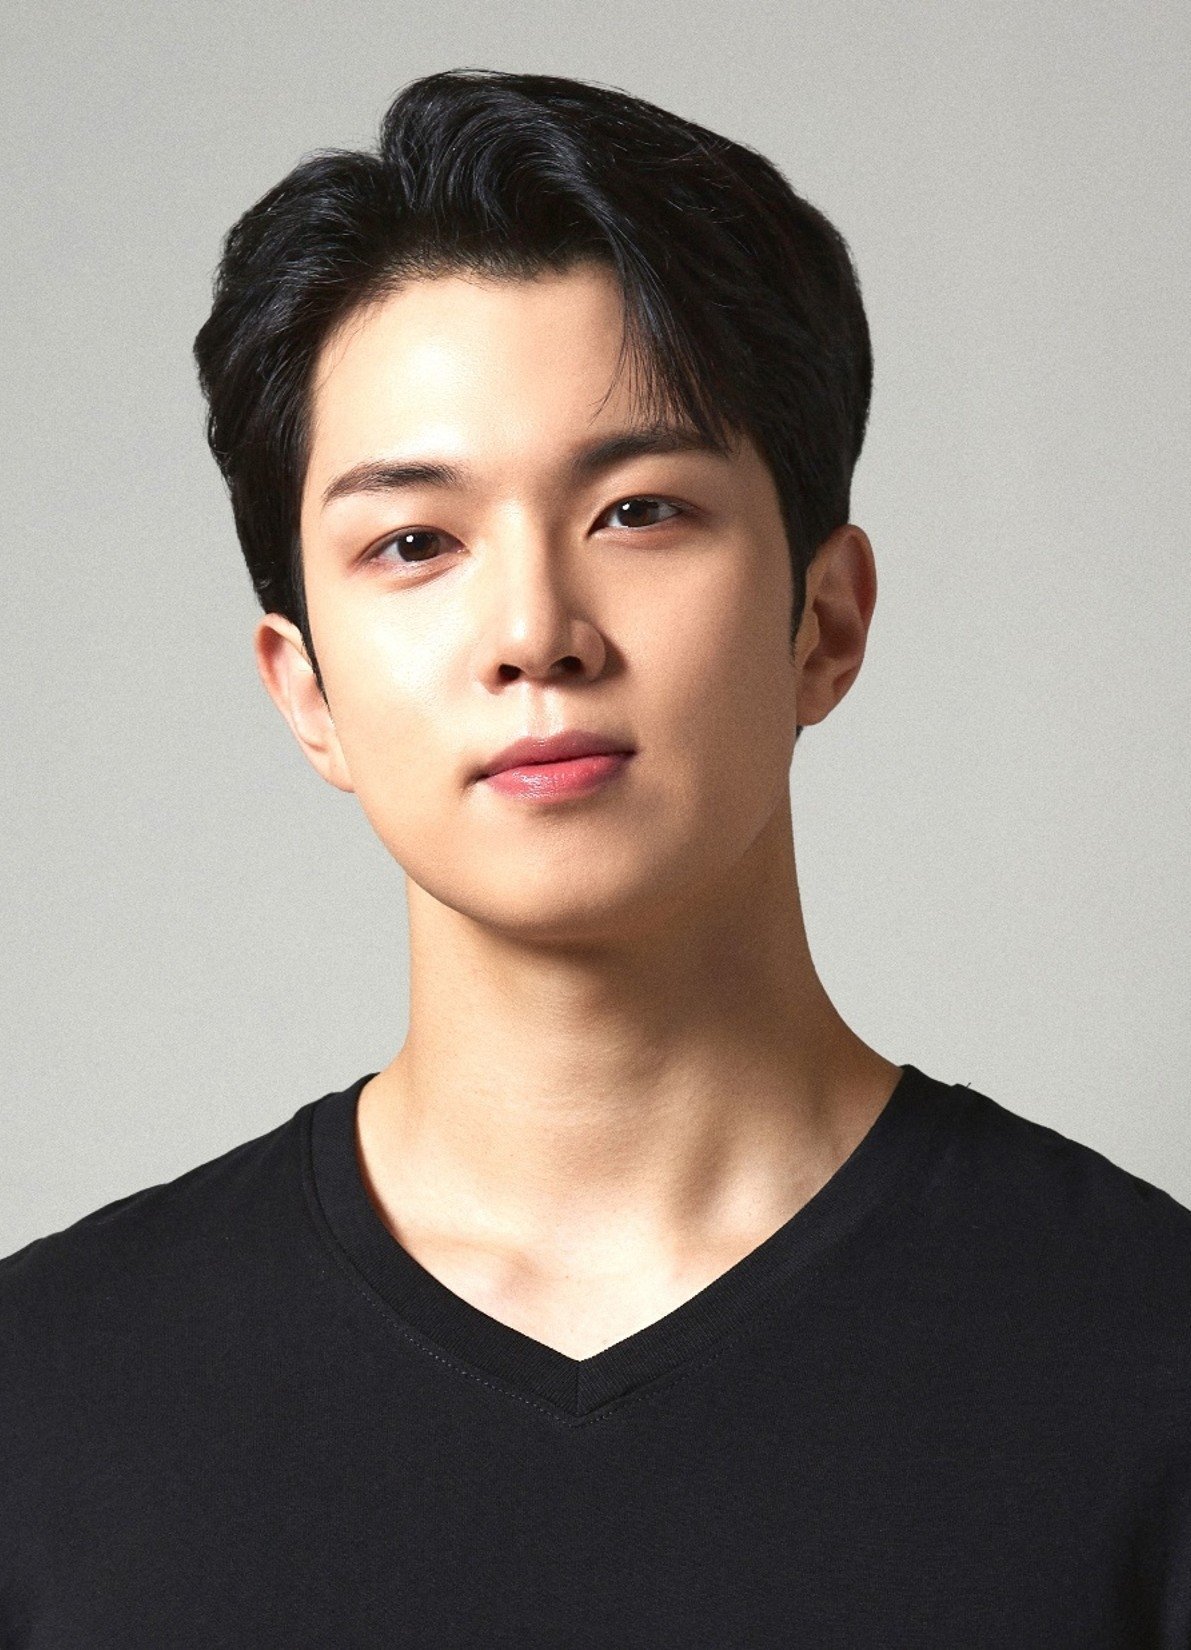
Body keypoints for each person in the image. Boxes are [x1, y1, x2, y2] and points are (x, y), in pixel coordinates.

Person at [2, 66, 1188, 1648]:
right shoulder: (47, 1400)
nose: (535, 632)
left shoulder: (1145, 1358)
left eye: (637, 510)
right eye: (414, 541)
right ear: (306, 689)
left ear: (825, 621)